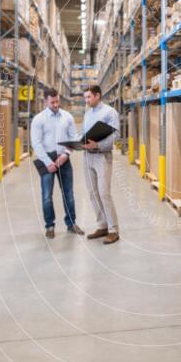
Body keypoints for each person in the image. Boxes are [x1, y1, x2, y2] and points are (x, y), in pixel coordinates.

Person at [30, 88, 84, 239]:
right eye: (52, 102)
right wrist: (48, 162)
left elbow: (74, 138)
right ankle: (50, 226)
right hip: (46, 158)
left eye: (57, 101)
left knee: (69, 193)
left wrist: (66, 154)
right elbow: (36, 143)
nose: (55, 104)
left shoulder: (67, 117)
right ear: (46, 100)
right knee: (47, 195)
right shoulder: (39, 119)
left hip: (63, 159)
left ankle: (71, 224)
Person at [81, 85, 120, 244]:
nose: (87, 100)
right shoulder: (87, 113)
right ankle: (102, 225)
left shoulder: (110, 112)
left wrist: (98, 145)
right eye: (85, 97)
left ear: (98, 95)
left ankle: (113, 230)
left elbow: (116, 135)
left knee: (104, 193)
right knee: (93, 193)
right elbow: (85, 134)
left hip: (102, 156)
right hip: (87, 157)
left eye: (89, 97)